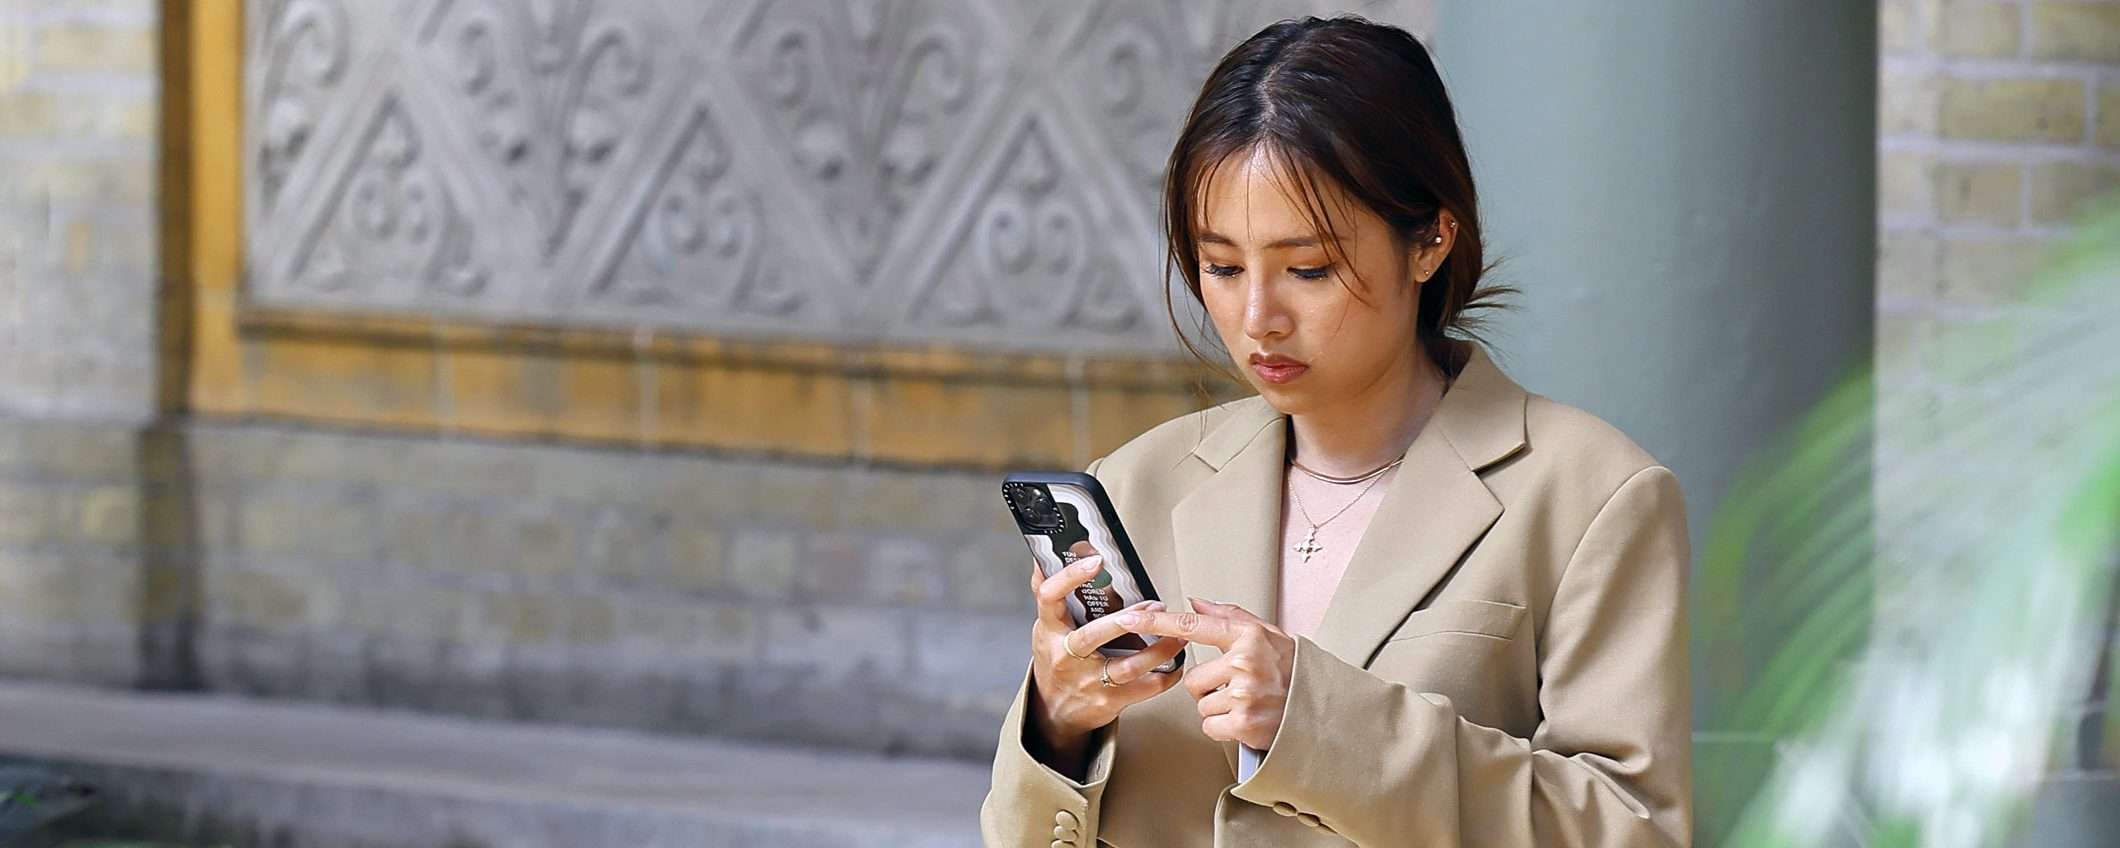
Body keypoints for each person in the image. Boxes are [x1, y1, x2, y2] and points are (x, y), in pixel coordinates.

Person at [980, 14, 1692, 847]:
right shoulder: (1137, 483)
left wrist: (1318, 723)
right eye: (1221, 266)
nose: (1258, 317)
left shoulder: (1592, 497)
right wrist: (1057, 726)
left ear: (1430, 240)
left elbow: (1632, 831)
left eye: (1308, 269)